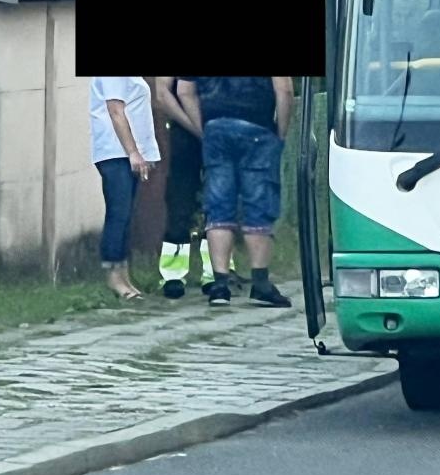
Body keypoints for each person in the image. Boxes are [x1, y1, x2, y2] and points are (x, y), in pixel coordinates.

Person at [178, 76, 294, 308]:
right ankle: (260, 283)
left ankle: (220, 284)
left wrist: (203, 126)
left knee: (218, 204)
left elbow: (184, 91)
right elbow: (285, 90)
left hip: (215, 126)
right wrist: (281, 132)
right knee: (259, 204)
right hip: (258, 126)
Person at [153, 78, 244, 299]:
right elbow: (162, 94)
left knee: (220, 201)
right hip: (185, 133)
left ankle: (217, 272)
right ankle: (173, 274)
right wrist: (195, 127)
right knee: (179, 200)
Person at [89, 77, 160, 301]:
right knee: (118, 214)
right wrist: (133, 152)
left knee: (126, 215)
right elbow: (115, 111)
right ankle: (113, 276)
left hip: (127, 153)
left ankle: (124, 275)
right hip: (116, 152)